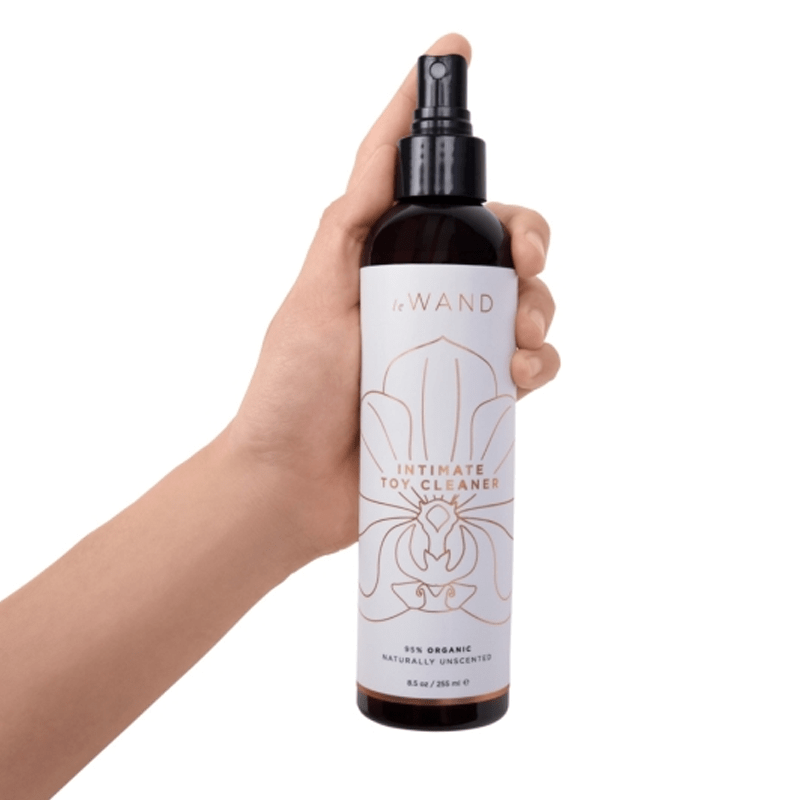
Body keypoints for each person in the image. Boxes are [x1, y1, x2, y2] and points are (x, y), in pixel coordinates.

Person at [0, 33, 558, 799]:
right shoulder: (387, 237)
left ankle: (462, 663)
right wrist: (277, 472)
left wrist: (281, 486)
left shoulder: (488, 240)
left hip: (467, 585)